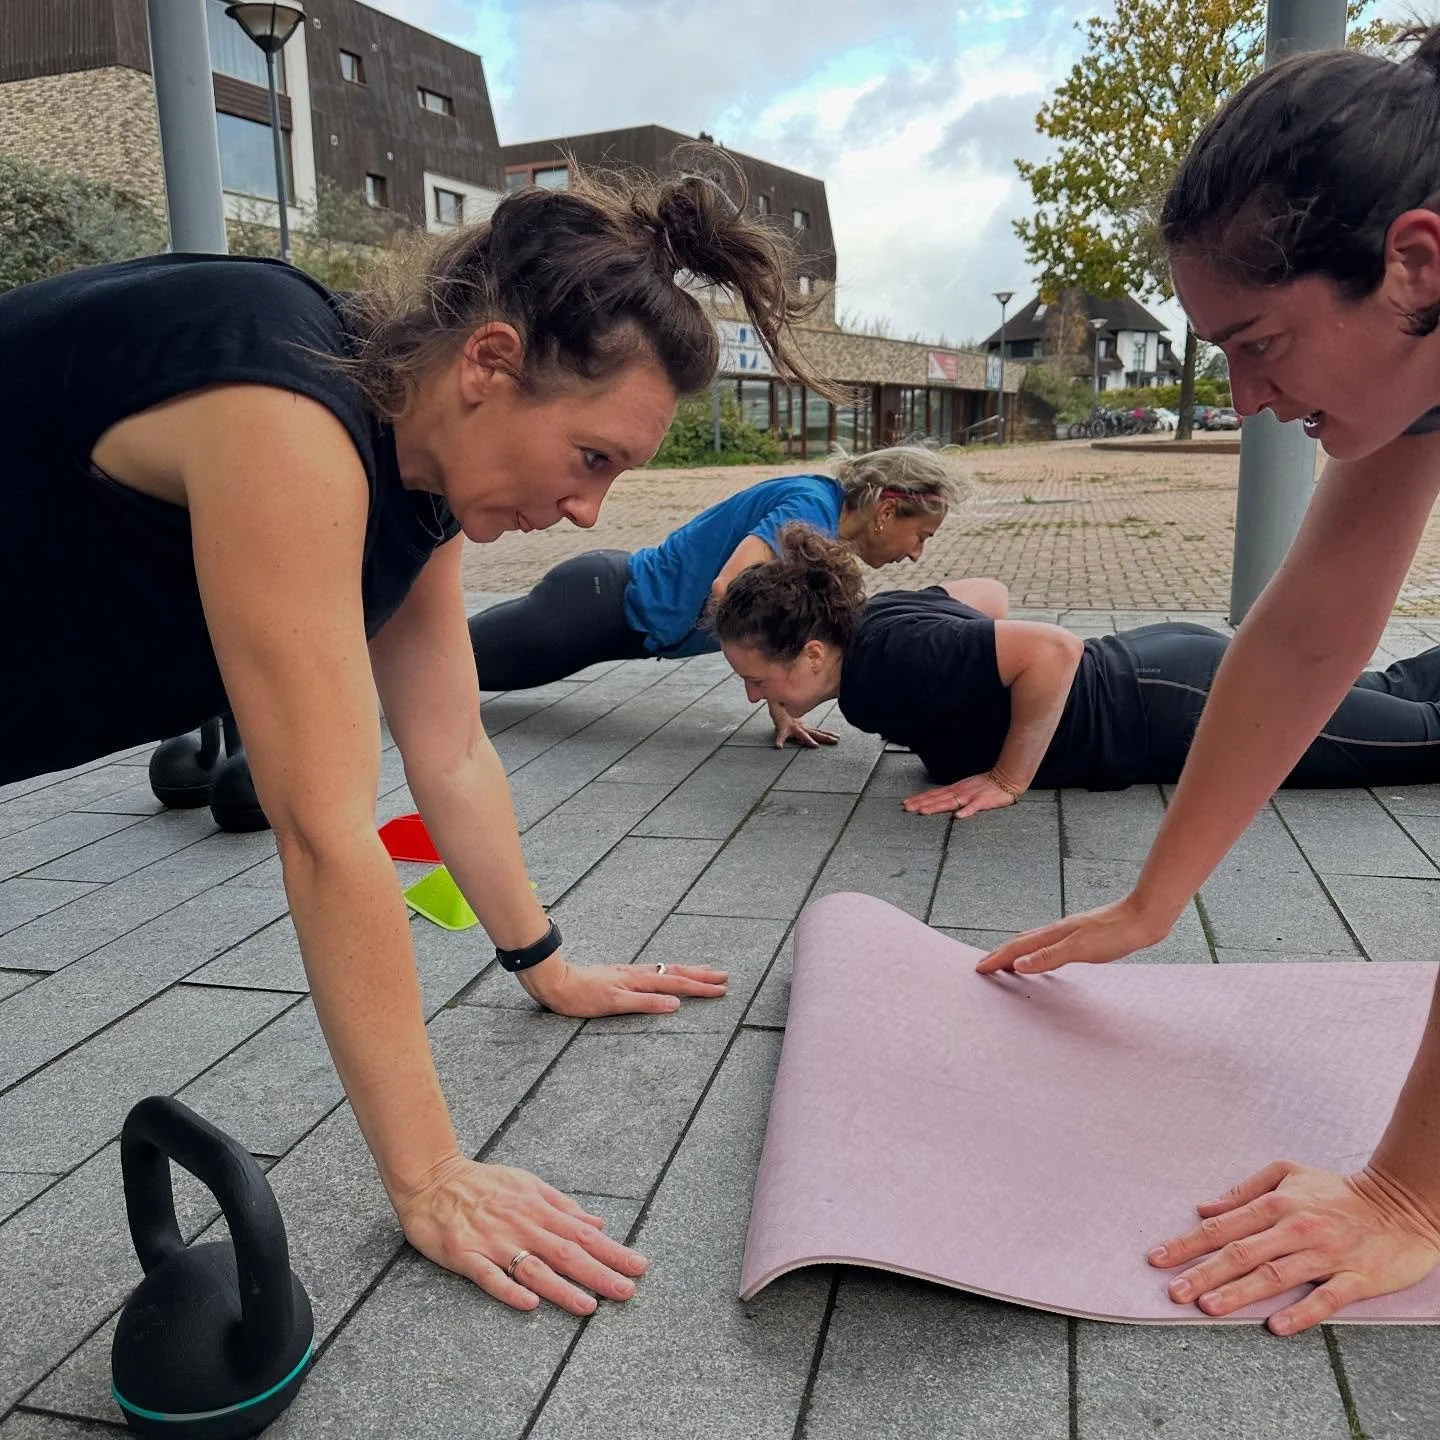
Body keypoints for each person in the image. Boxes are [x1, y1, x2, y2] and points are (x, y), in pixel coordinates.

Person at [0, 161, 829, 1314]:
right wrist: (432, 1175)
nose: (589, 513)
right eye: (592, 458)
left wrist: (546, 963)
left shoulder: (418, 471)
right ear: (488, 363)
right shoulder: (281, 407)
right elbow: (330, 829)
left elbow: (448, 750)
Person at [976, 28, 1440, 1332]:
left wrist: (1409, 1195)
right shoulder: (1421, 359)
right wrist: (1152, 898)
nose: (1241, 399)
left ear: (1414, 260)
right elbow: (1302, 636)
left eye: (1262, 342)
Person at [709, 528, 1440, 818]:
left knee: (1422, 742)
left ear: (810, 654)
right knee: (1393, 694)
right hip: (1165, 669)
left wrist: (1007, 778)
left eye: (757, 680)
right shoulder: (873, 622)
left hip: (1181, 702)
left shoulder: (891, 662)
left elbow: (1050, 652)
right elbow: (988, 598)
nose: (750, 695)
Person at [467, 446, 965, 748]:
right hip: (595, 604)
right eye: (921, 534)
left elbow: (772, 621)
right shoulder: (812, 508)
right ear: (887, 509)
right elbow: (732, 588)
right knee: (444, 664)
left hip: (611, 616)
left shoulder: (822, 511)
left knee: (455, 670)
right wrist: (777, 691)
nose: (918, 554)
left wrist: (782, 703)